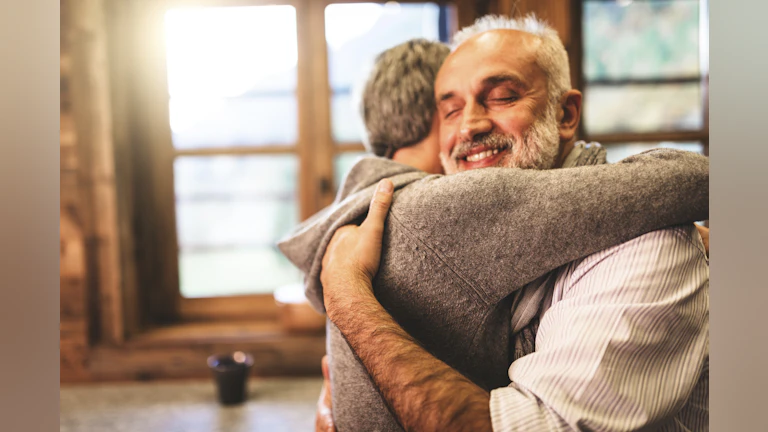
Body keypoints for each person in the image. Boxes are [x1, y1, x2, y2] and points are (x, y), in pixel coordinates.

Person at [278, 17, 709, 432]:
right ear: (431, 121)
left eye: (502, 96)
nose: (470, 125)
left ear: (566, 114)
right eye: (450, 109)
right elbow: (678, 180)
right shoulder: (438, 209)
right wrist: (345, 289)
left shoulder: (364, 206)